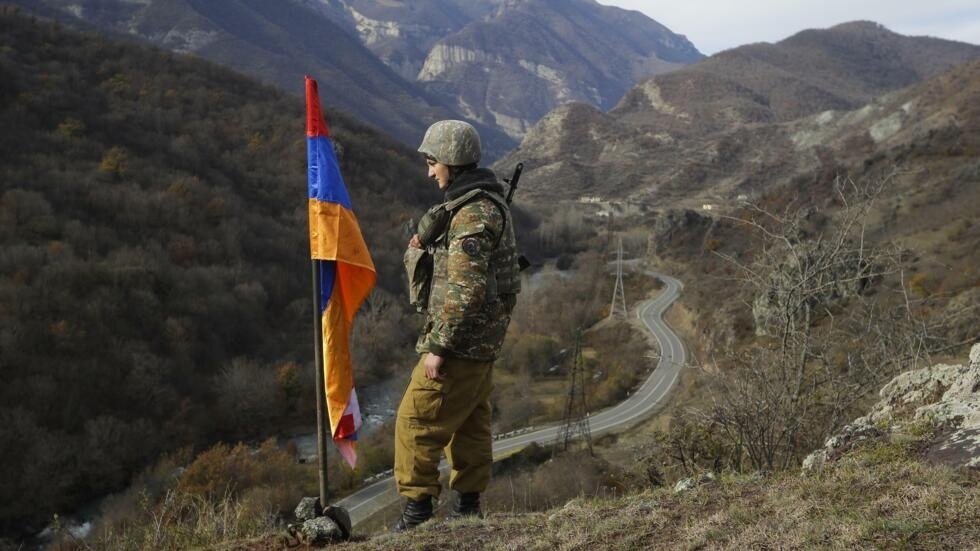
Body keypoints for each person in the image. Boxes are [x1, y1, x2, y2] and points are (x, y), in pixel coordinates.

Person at [393, 120, 521, 531]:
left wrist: (439, 347)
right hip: (479, 343)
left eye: (433, 162)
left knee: (415, 422)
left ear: (452, 162)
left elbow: (465, 289)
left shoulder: (473, 213)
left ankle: (417, 515)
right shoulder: (478, 204)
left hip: (460, 344)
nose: (430, 172)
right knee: (468, 423)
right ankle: (467, 510)